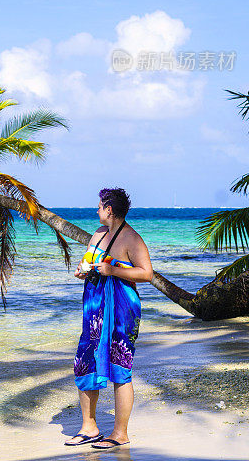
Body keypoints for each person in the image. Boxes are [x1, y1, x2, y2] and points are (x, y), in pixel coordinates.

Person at [64, 187, 153, 451]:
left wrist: (112, 269)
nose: (96, 210)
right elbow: (91, 262)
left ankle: (120, 433)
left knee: (120, 367)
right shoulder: (99, 233)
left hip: (121, 311)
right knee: (85, 363)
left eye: (100, 206)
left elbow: (147, 274)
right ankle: (89, 427)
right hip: (94, 310)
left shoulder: (131, 239)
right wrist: (84, 270)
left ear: (109, 209)